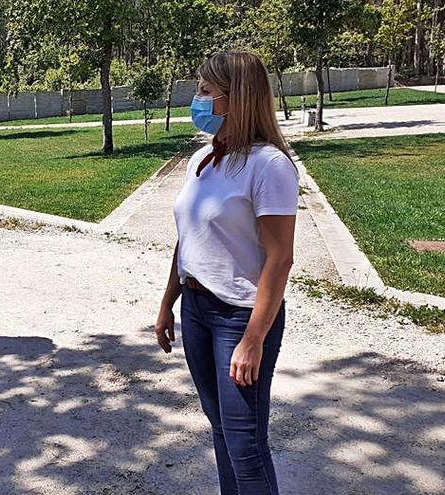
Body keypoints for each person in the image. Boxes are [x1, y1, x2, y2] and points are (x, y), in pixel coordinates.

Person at [154, 52, 298, 494]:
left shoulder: (269, 165)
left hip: (239, 318)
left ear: (235, 98)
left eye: (204, 91)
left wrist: (253, 339)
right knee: (220, 431)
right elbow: (189, 238)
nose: (196, 99)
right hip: (196, 309)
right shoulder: (204, 159)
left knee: (246, 447)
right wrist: (167, 304)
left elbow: (280, 258)